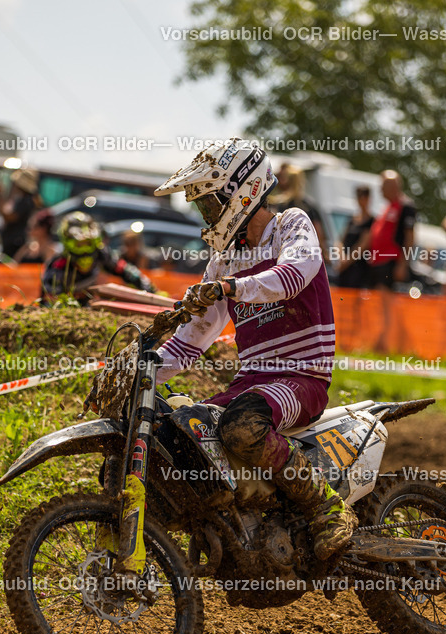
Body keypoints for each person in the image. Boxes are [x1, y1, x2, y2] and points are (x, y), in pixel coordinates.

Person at [151, 137, 357, 562]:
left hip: (301, 377)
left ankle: (326, 507)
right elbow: (193, 339)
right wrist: (142, 370)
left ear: (241, 192)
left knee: (242, 426)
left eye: (209, 205)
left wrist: (231, 287)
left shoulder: (291, 225)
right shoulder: (224, 260)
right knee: (183, 431)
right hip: (252, 380)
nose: (206, 216)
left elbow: (295, 273)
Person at [41, 211, 156, 302]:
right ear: (68, 241)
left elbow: (126, 270)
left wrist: (149, 289)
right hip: (67, 311)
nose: (85, 249)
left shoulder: (100, 253)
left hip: (90, 307)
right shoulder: (58, 264)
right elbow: (49, 298)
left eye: (88, 243)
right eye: (80, 244)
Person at [367, 170, 416, 290]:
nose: (380, 190)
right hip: (378, 263)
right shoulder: (387, 207)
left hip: (391, 262)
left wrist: (402, 265)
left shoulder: (405, 206)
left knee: (386, 302)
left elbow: (409, 237)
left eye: (383, 186)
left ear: (392, 186)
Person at [272, 163, 328, 260]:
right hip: (305, 258)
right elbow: (319, 237)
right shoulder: (309, 206)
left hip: (280, 256)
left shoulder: (277, 205)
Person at [336, 186, 374, 289]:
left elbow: (363, 245)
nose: (361, 200)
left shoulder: (372, 221)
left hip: (359, 268)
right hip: (345, 268)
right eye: (359, 197)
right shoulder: (352, 219)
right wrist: (341, 257)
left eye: (363, 197)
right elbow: (340, 240)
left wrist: (346, 262)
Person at [0, 166, 41, 259]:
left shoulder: (25, 201)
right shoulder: (22, 199)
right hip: (13, 241)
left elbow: (10, 217)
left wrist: (0, 196)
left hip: (15, 243)